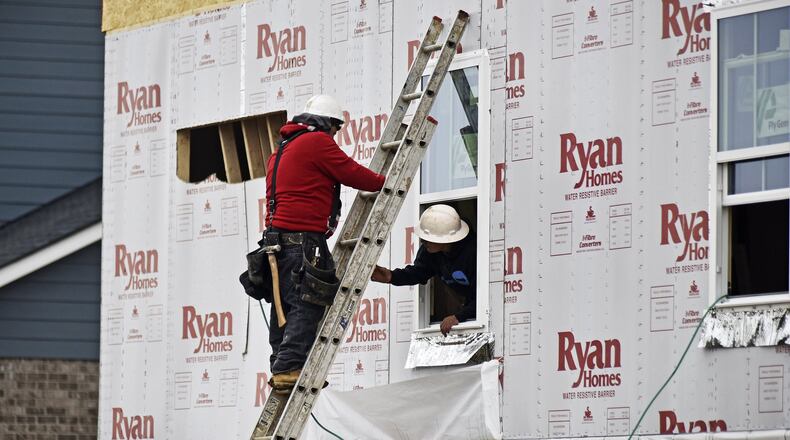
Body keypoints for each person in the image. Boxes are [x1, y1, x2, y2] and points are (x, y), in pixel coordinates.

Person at [264, 95, 385, 391]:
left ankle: (281, 364)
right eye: (335, 128)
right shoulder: (316, 142)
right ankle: (289, 366)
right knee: (309, 299)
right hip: (301, 240)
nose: (335, 135)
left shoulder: (282, 148)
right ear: (327, 123)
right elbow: (350, 172)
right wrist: (386, 183)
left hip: (275, 243)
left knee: (285, 304)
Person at [371, 204, 476, 335]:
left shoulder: (473, 253)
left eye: (428, 239)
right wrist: (391, 277)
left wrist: (458, 317)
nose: (423, 242)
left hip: (474, 310)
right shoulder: (431, 250)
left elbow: (482, 296)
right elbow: (418, 273)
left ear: (445, 239)